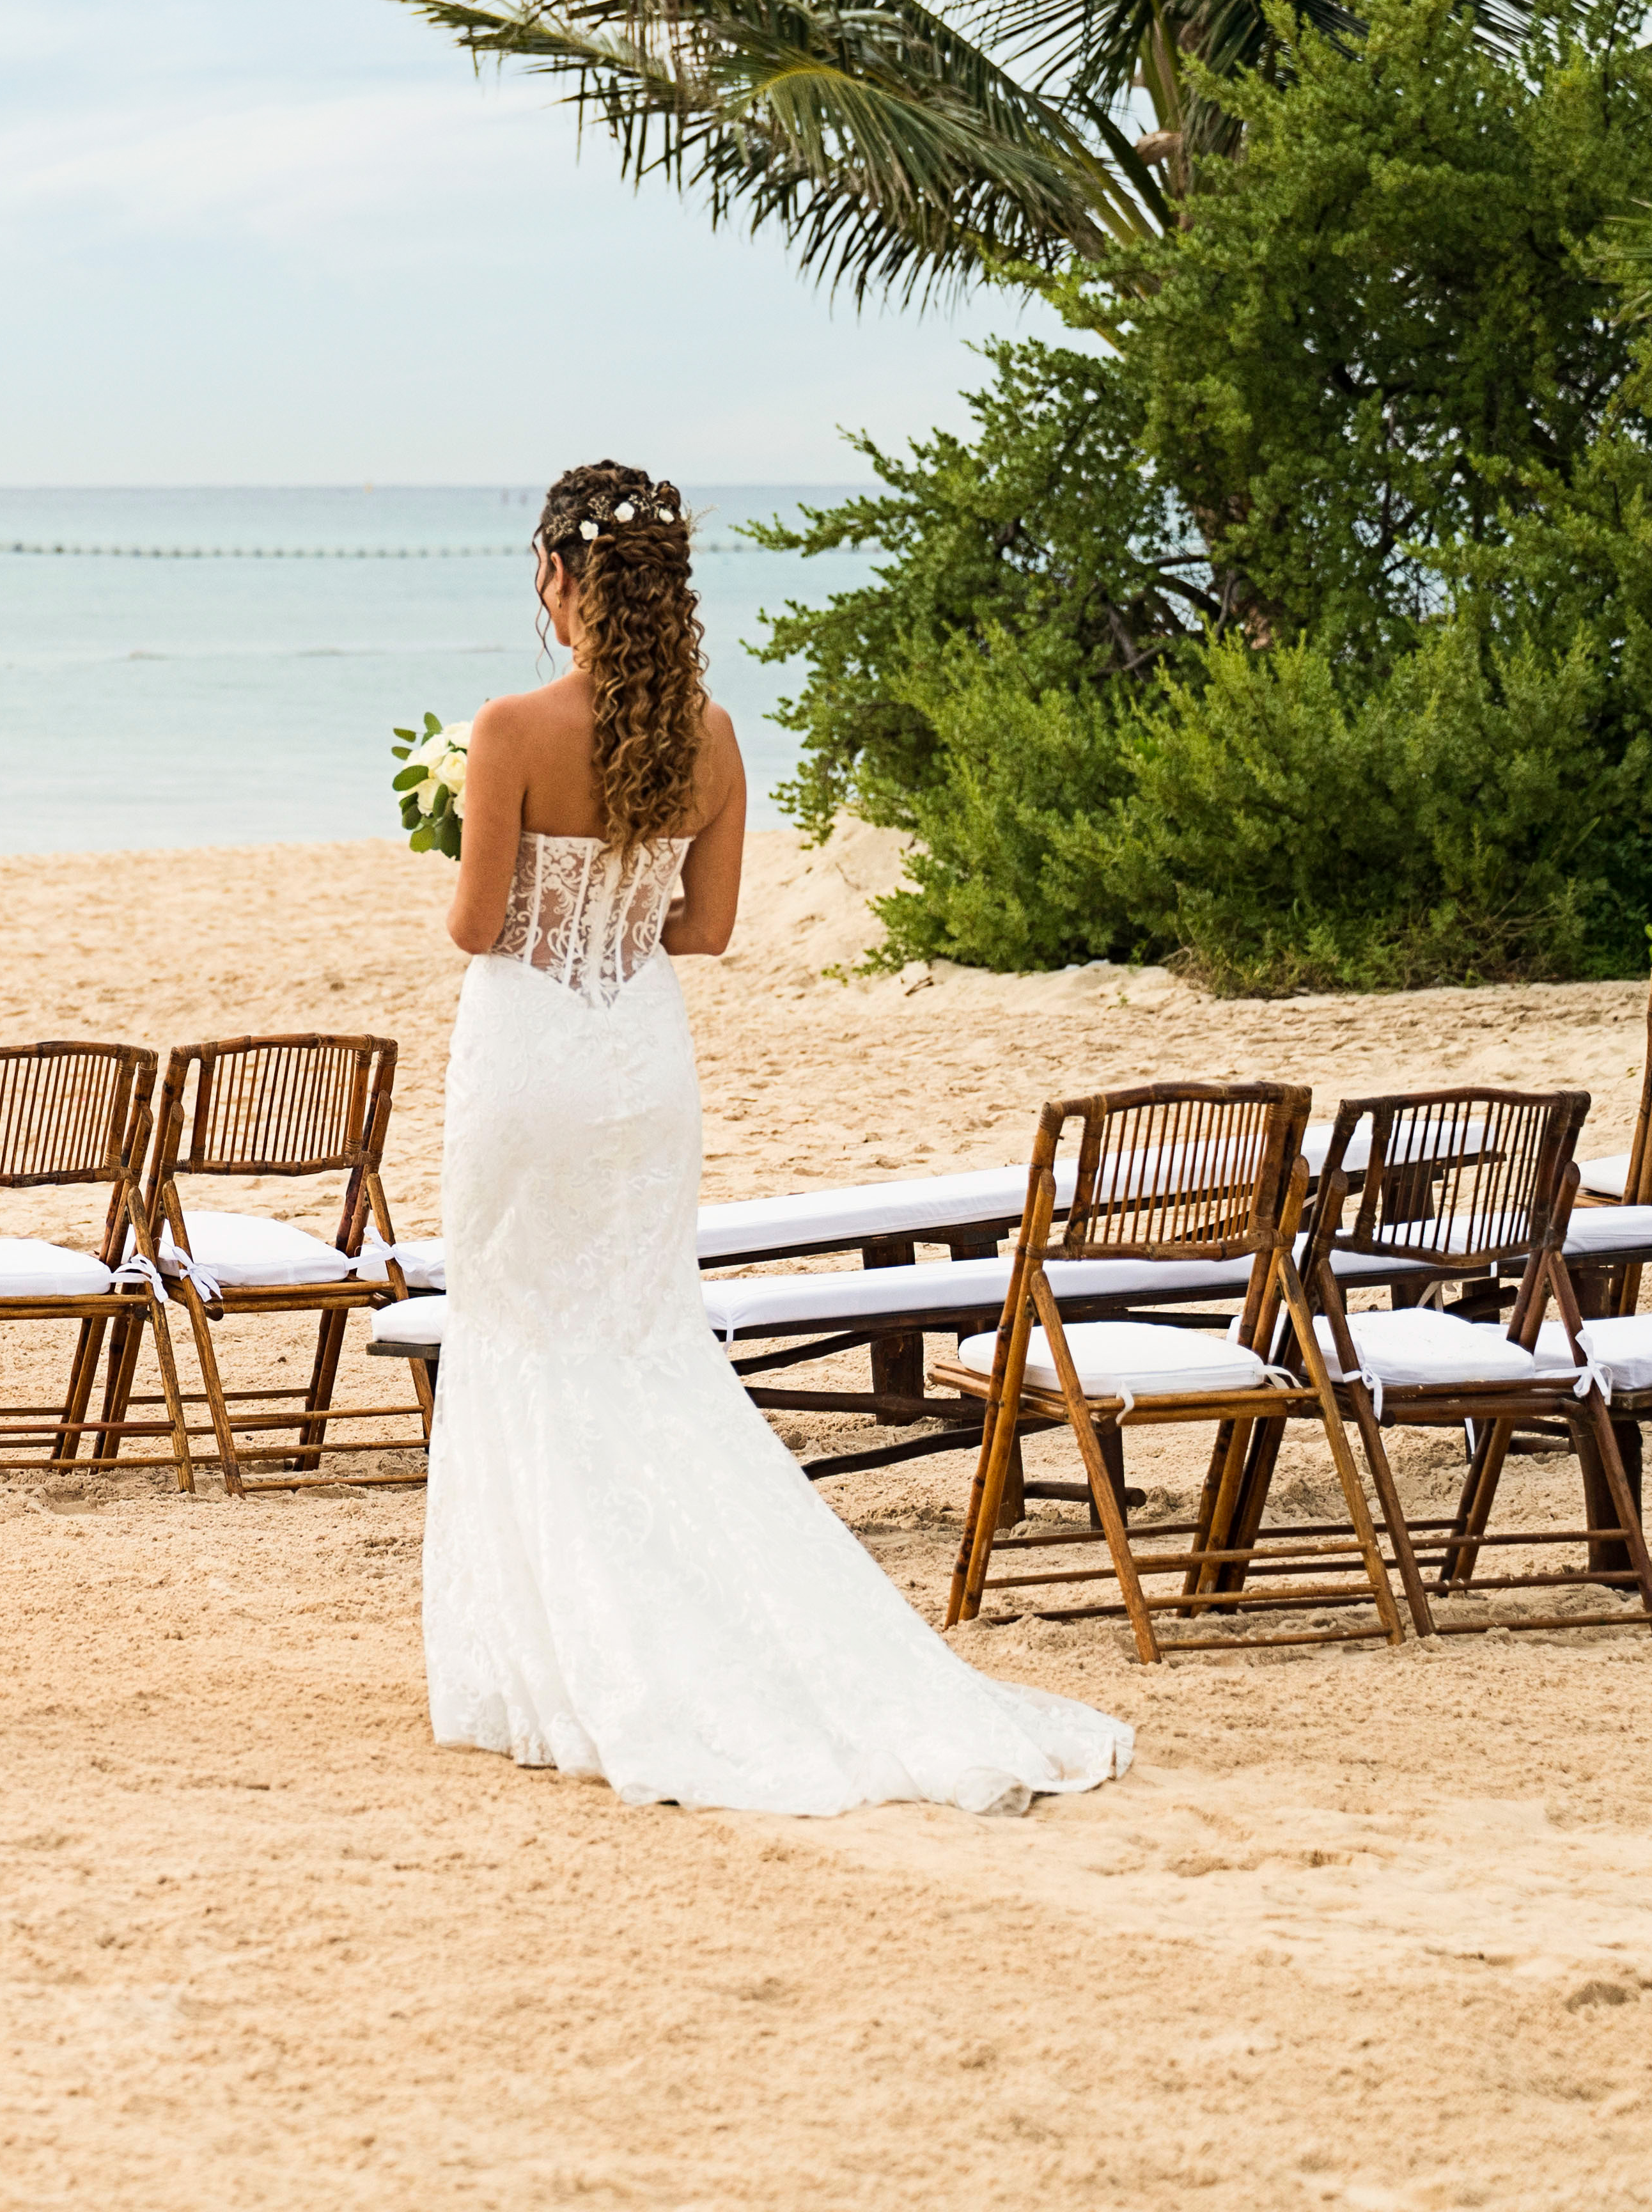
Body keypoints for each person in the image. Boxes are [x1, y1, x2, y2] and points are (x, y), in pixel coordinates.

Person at [419, 459, 1128, 1816]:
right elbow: (708, 927)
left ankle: (544, 1670)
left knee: (519, 1329)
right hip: (639, 1056)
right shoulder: (717, 736)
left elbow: (471, 923)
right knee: (639, 1335)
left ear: (563, 582)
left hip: (527, 1057)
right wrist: (608, 910)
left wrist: (507, 878)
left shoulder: (508, 728)